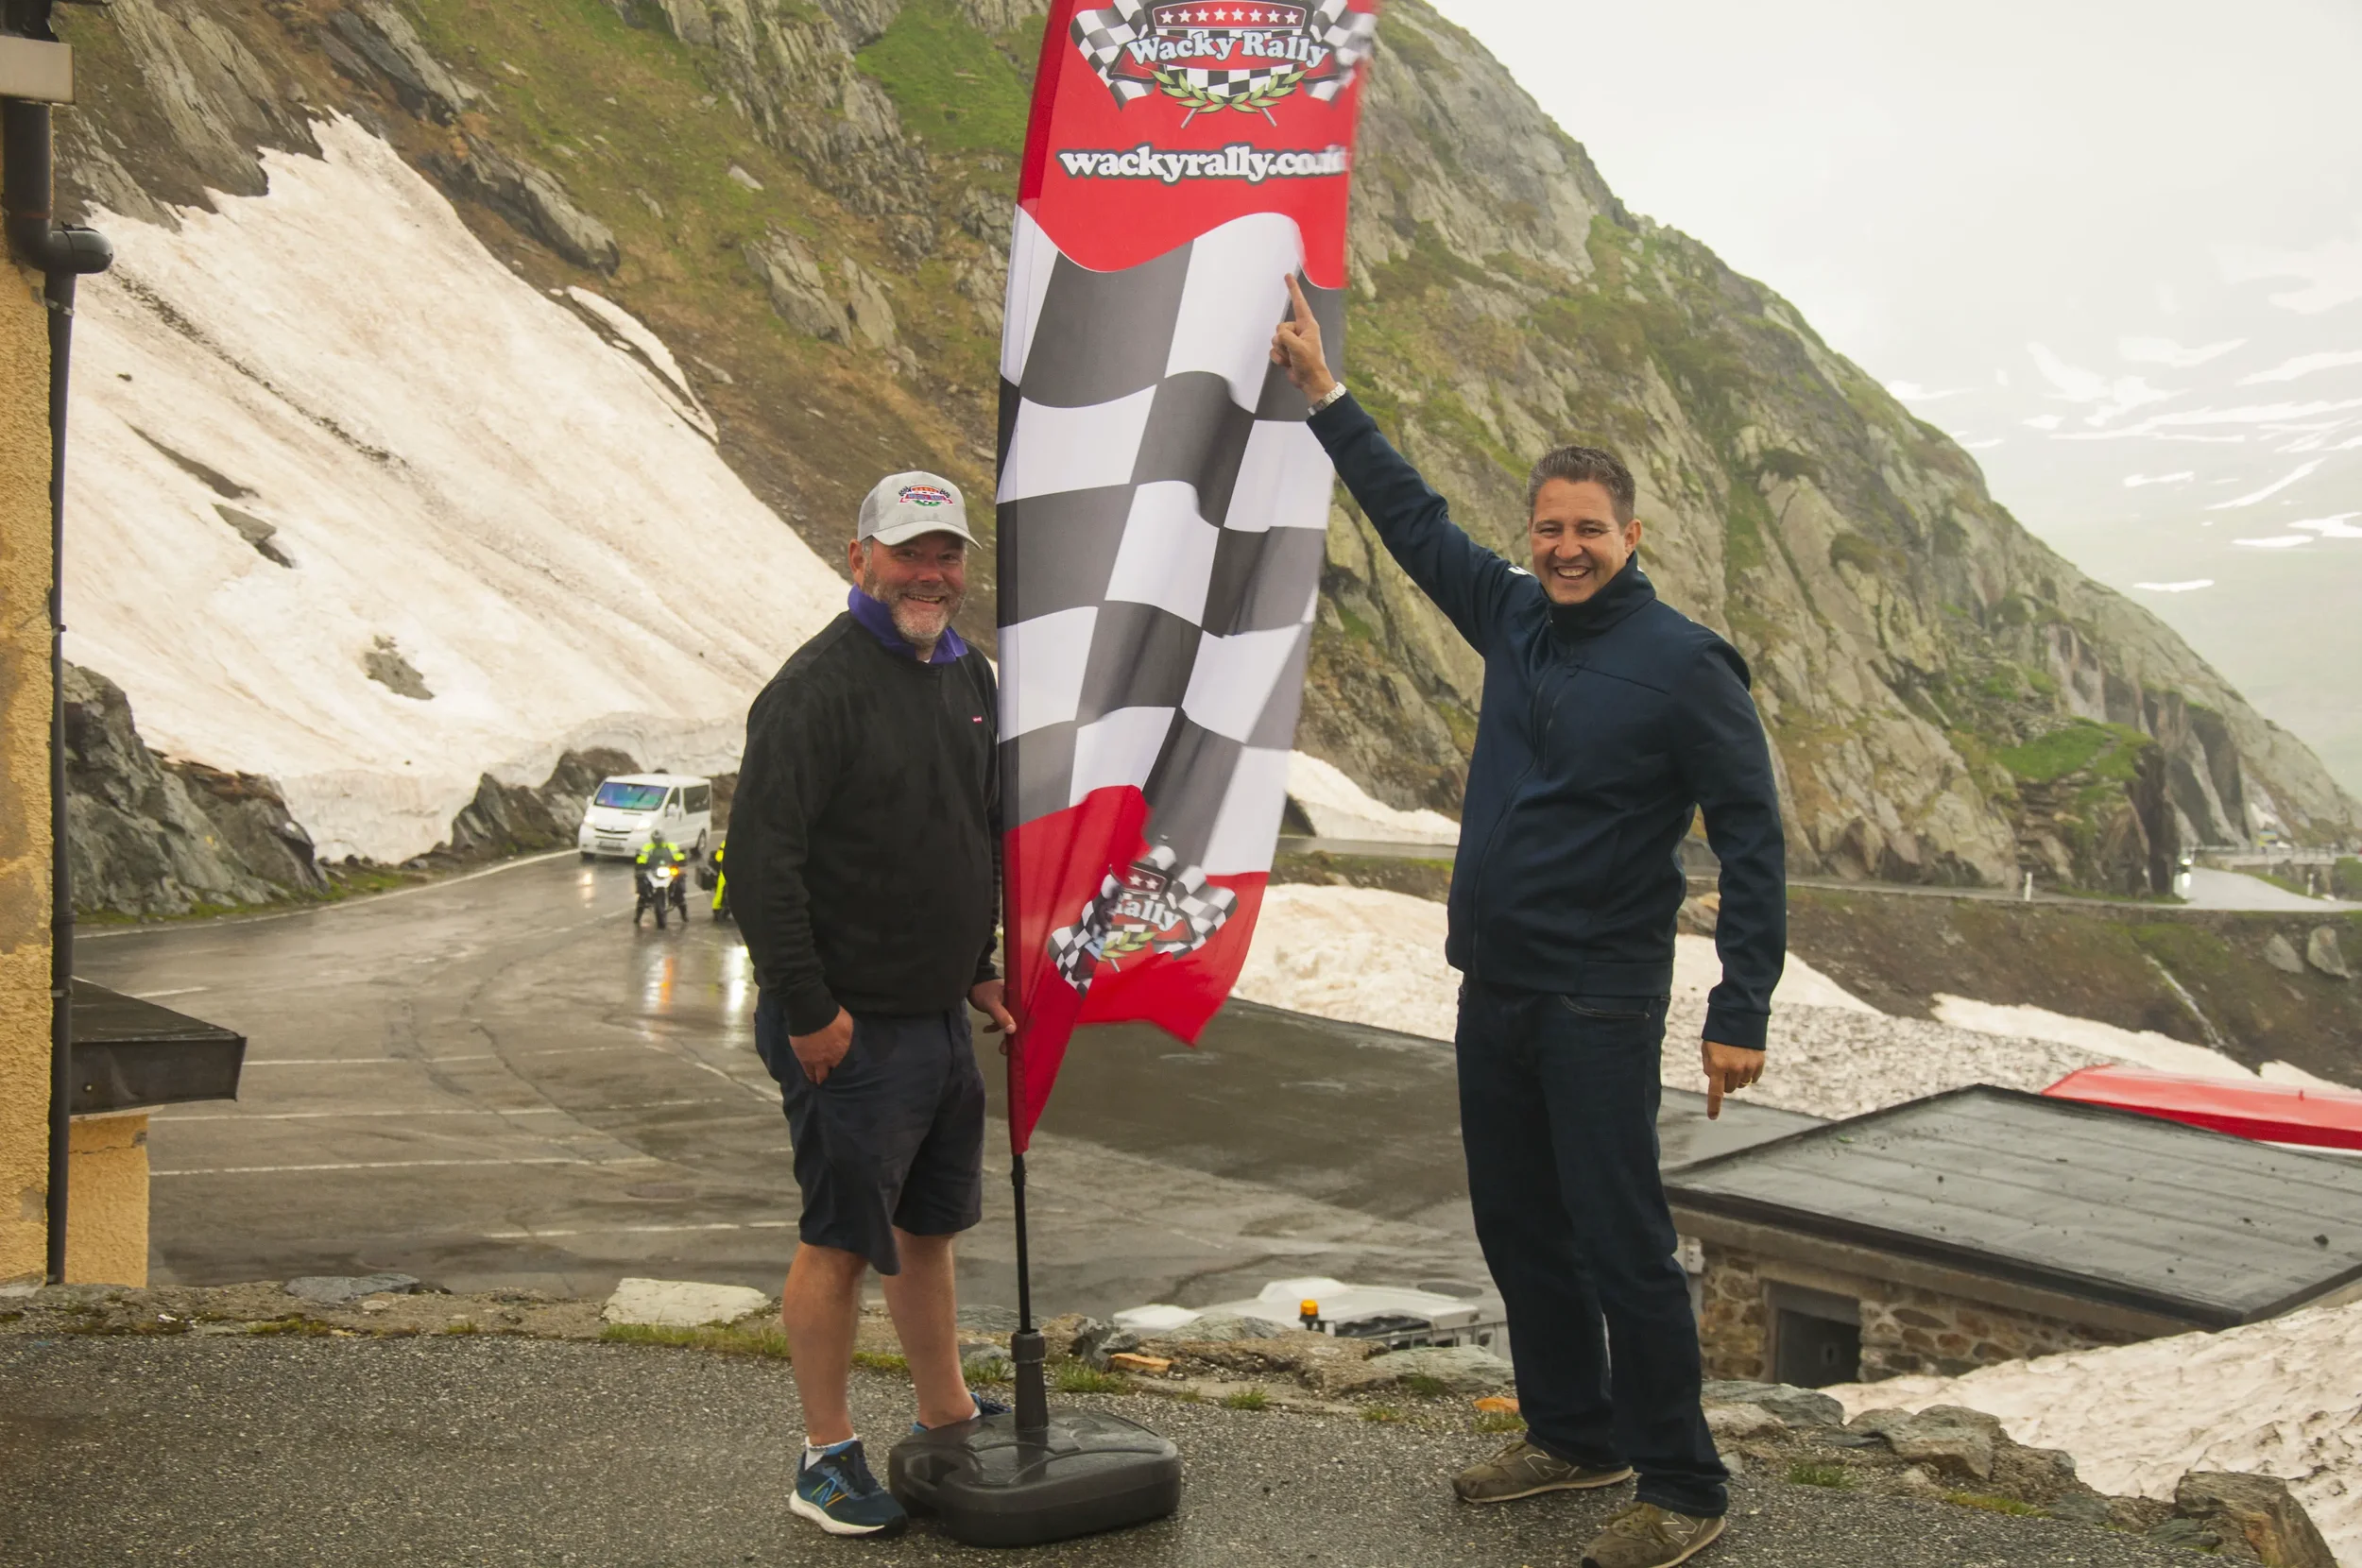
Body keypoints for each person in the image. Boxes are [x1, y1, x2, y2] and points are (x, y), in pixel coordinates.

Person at [1272, 281, 1784, 1568]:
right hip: (1493, 986)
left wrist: (1740, 1009)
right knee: (1518, 1228)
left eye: (1588, 530)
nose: (1564, 547)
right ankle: (1573, 1435)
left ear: (1633, 532)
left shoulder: (1684, 665)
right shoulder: (1509, 615)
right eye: (1549, 527)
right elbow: (1413, 521)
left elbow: (1753, 837)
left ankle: (1683, 1486)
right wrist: (1326, 398)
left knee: (1622, 1244)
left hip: (1602, 999)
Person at [728, 470, 1017, 1542]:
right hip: (845, 1027)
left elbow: (970, 830)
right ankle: (825, 1454)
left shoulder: (967, 674)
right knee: (841, 1240)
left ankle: (943, 1412)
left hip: (937, 1015)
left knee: (929, 1227)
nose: (929, 573)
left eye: (946, 555)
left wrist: (978, 963)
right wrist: (806, 1007)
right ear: (860, 559)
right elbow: (761, 865)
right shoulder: (813, 690)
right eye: (909, 553)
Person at [632, 828, 686, 926]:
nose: (658, 841)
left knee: (679, 891)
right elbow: (642, 857)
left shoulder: (671, 847)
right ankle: (638, 916)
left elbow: (677, 855)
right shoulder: (647, 847)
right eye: (656, 839)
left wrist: (681, 860)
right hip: (653, 870)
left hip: (667, 869)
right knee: (642, 894)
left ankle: (684, 914)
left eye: (659, 839)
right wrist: (640, 864)